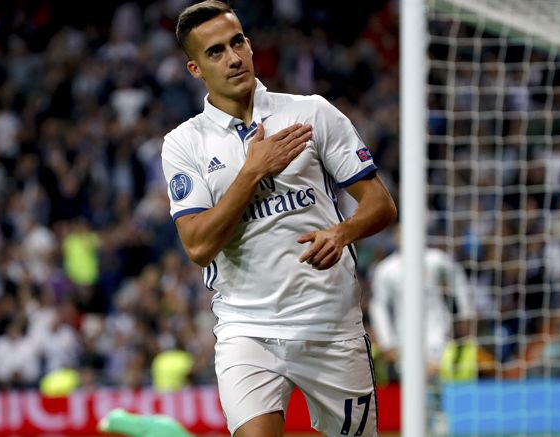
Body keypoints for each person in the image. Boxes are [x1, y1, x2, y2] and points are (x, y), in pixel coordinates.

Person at [161, 2, 397, 436]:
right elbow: (197, 246)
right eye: (215, 52)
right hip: (247, 329)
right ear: (195, 69)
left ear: (250, 45)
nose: (233, 58)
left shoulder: (312, 113)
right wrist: (253, 171)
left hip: (331, 325)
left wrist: (341, 232)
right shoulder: (184, 144)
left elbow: (381, 205)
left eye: (237, 43)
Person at [368, 226, 476, 378]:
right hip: (403, 335)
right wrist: (387, 342)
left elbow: (458, 279)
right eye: (401, 234)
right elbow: (378, 306)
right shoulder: (386, 269)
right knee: (410, 382)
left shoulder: (435, 259)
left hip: (438, 331)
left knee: (435, 379)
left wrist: (466, 313)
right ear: (395, 238)